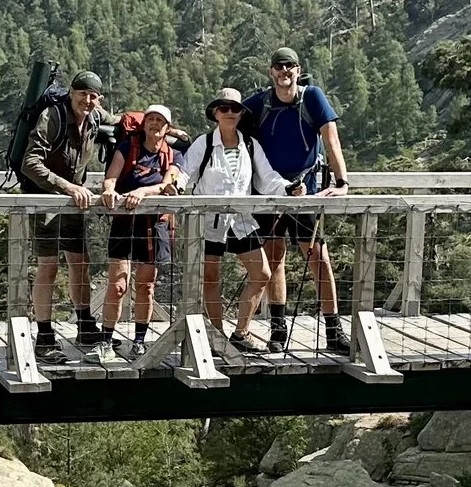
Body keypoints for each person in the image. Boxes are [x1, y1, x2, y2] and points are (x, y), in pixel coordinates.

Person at [247, 46, 351, 355]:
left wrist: (341, 182)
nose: (284, 71)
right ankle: (278, 331)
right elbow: (229, 122)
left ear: (298, 69)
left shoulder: (312, 97)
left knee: (317, 256)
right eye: (278, 66)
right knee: (275, 256)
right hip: (270, 189)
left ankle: (333, 330)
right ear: (271, 72)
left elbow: (331, 140)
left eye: (289, 66)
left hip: (306, 186)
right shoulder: (259, 103)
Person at [172, 87, 287, 352]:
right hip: (209, 221)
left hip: (241, 220)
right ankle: (216, 336)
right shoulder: (205, 143)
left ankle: (240, 331)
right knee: (211, 277)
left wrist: (289, 188)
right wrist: (176, 185)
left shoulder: (249, 144)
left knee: (262, 273)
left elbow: (267, 178)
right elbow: (186, 171)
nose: (230, 113)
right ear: (215, 113)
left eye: (235, 108)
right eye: (224, 108)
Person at [17, 69, 111, 353]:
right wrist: (68, 187)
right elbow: (29, 163)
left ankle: (85, 327)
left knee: (80, 262)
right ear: (71, 93)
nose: (88, 100)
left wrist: (167, 131)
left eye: (93, 96)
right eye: (82, 94)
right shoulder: (52, 118)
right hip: (45, 200)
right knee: (48, 267)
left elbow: (124, 123)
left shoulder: (95, 116)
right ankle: (44, 335)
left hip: (73, 202)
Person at [98, 103, 181, 356]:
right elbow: (111, 176)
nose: (155, 124)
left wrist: (142, 192)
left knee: (146, 284)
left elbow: (168, 183)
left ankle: (139, 340)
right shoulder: (128, 147)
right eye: (151, 120)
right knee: (118, 284)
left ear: (168, 128)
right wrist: (109, 190)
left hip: (154, 225)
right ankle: (106, 339)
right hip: (125, 220)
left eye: (160, 121)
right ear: (144, 124)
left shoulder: (173, 156)